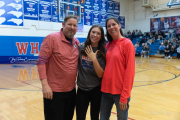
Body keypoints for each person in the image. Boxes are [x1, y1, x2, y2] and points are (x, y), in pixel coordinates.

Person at [36, 15, 79, 120]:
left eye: (75, 25)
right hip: (54, 92)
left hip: (71, 91)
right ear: (63, 25)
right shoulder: (51, 38)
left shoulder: (76, 42)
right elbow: (41, 61)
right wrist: (45, 85)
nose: (72, 27)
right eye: (69, 24)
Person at [100, 17, 135, 120]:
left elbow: (130, 72)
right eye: (108, 26)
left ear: (119, 26)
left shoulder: (127, 44)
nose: (111, 27)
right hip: (106, 91)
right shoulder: (108, 45)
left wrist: (125, 95)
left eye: (113, 24)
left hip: (120, 93)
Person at [76, 25, 106, 120]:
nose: (95, 35)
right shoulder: (81, 48)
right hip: (81, 89)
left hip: (96, 90)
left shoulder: (103, 52)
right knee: (80, 117)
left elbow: (100, 74)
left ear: (101, 37)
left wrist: (94, 59)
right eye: (93, 32)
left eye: (98, 33)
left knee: (95, 117)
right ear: (89, 33)